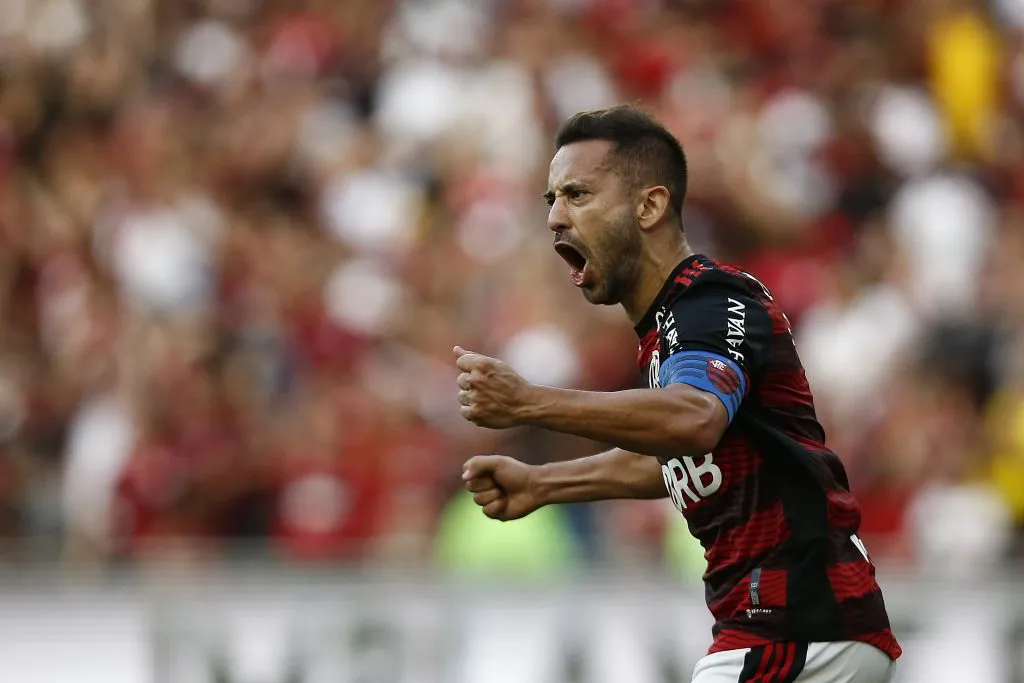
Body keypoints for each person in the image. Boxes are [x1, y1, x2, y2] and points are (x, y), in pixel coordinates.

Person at [453, 105, 902, 683]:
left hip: (798, 625)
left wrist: (527, 402)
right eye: (551, 201)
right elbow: (689, 456)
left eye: (578, 194)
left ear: (650, 206)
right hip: (805, 627)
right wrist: (545, 483)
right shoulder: (670, 329)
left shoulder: (710, 300)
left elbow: (694, 422)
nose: (556, 218)